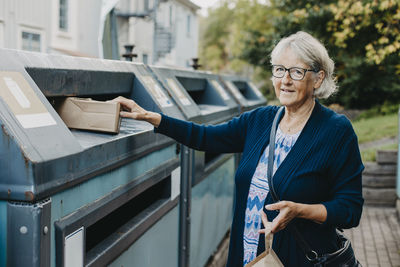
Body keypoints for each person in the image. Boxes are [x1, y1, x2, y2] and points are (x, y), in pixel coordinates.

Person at [114, 31, 363, 267]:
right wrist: (152, 117)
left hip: (300, 259)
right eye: (279, 70)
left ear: (318, 78)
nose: (285, 80)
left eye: (296, 71)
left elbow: (350, 210)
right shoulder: (261, 120)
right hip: (248, 257)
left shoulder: (336, 131)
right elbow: (204, 137)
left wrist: (300, 210)